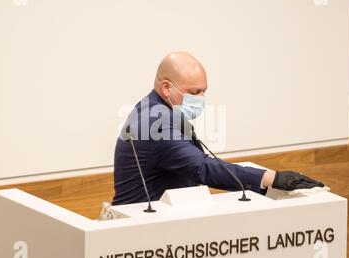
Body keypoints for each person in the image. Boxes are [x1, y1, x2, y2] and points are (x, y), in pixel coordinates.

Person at [112, 52, 324, 205]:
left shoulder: (157, 108)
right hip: (138, 234)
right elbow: (201, 168)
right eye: (194, 92)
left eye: (204, 91)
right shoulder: (154, 121)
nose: (201, 99)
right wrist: (272, 178)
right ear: (167, 88)